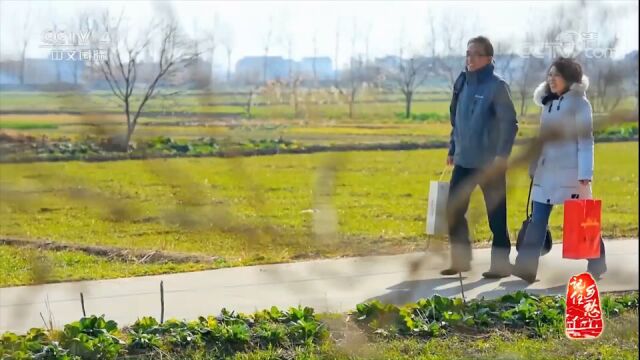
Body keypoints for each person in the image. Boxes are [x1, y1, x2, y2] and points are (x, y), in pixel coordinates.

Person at [512, 57, 607, 283]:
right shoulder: (548, 104)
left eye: (557, 75)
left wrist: (586, 173)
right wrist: (534, 164)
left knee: (584, 220)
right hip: (546, 173)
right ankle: (527, 267)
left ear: (569, 79)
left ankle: (597, 262)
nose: (551, 79)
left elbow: (586, 140)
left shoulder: (580, 104)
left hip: (572, 175)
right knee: (537, 220)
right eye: (550, 75)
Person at [442, 36, 519, 278]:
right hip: (464, 160)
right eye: (468, 53)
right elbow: (456, 121)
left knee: (496, 215)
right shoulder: (462, 82)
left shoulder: (497, 87)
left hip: (490, 164)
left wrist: (501, 156)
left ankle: (500, 264)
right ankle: (461, 260)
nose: (470, 58)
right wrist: (453, 149)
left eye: (475, 54)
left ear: (488, 58)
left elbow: (510, 124)